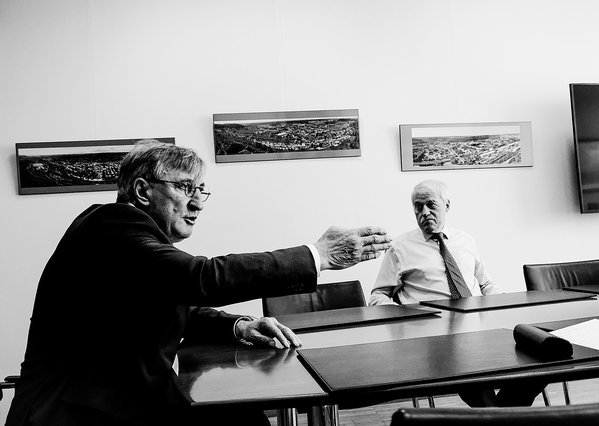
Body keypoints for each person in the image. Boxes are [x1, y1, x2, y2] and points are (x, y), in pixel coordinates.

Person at [6, 140, 391, 426]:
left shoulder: (131, 241)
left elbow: (176, 306)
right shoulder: (112, 225)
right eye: (186, 188)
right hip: (72, 413)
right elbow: (201, 277)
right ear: (143, 191)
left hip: (120, 401)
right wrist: (317, 255)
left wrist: (237, 324)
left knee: (244, 418)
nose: (199, 203)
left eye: (201, 190)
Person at [369, 179, 544, 407]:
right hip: (434, 336)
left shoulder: (466, 240)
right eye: (418, 206)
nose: (424, 212)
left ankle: (500, 416)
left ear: (447, 205)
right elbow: (377, 296)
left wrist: (506, 306)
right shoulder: (399, 247)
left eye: (431, 205)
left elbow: (486, 284)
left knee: (543, 354)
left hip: (481, 327)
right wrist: (405, 316)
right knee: (468, 366)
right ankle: (502, 417)